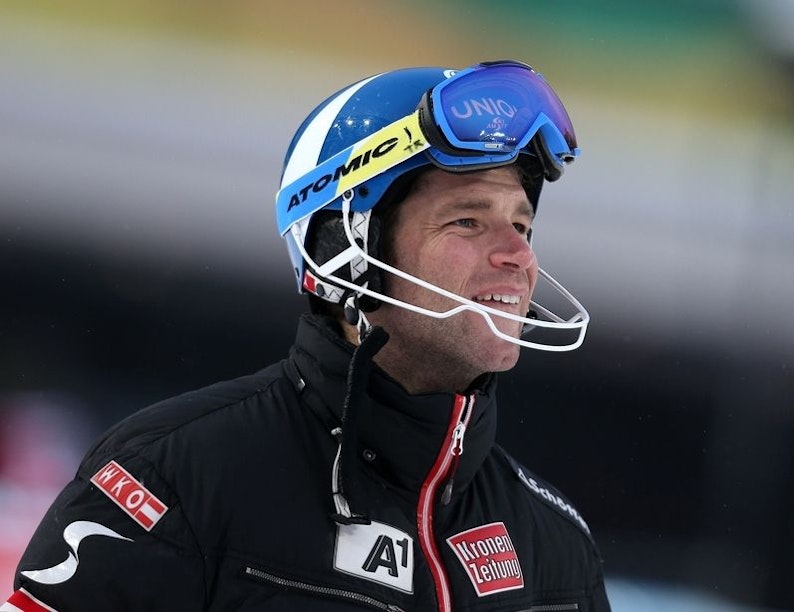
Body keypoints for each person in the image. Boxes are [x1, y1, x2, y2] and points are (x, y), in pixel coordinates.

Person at [5, 60, 610, 611]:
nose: (517, 257)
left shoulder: (556, 547)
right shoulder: (175, 475)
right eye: (468, 220)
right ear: (347, 249)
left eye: (521, 226)